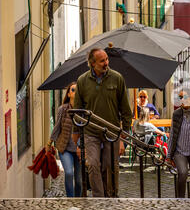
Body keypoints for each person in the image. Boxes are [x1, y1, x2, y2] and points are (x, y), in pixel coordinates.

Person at [72, 48, 132, 198]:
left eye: (106, 59)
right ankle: (99, 198)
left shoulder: (117, 78)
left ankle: (111, 195)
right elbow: (78, 111)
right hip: (90, 131)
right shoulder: (82, 81)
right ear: (92, 64)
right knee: (92, 165)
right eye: (102, 61)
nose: (106, 63)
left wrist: (124, 134)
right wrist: (76, 134)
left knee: (109, 166)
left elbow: (125, 109)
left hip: (111, 131)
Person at [46, 82, 81, 197]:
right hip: (65, 147)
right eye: (73, 90)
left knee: (79, 180)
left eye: (77, 90)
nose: (75, 92)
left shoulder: (84, 110)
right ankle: (70, 199)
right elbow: (57, 127)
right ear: (69, 94)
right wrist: (50, 142)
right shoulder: (63, 109)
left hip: (80, 149)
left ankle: (78, 200)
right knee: (69, 173)